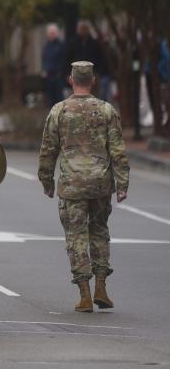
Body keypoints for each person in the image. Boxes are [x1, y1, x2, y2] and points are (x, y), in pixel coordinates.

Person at [38, 61, 130, 313]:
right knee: (99, 232)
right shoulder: (107, 111)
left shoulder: (59, 111)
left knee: (76, 237)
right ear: (93, 80)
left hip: (72, 185)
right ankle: (101, 286)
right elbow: (118, 151)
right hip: (100, 184)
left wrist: (47, 181)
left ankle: (85, 295)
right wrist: (122, 184)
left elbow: (48, 151)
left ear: (70, 80)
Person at [67, 21, 109, 100]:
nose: (83, 31)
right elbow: (68, 58)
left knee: (93, 95)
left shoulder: (94, 43)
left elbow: (99, 58)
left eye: (84, 29)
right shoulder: (73, 43)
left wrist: (97, 72)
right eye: (81, 29)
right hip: (76, 73)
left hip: (92, 72)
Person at [41, 23, 69, 107]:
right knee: (50, 98)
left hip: (58, 76)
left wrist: (60, 72)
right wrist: (43, 70)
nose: (51, 35)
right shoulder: (46, 46)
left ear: (56, 33)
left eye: (53, 33)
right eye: (50, 33)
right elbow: (44, 59)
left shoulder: (61, 45)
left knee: (59, 98)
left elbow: (64, 60)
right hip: (48, 76)